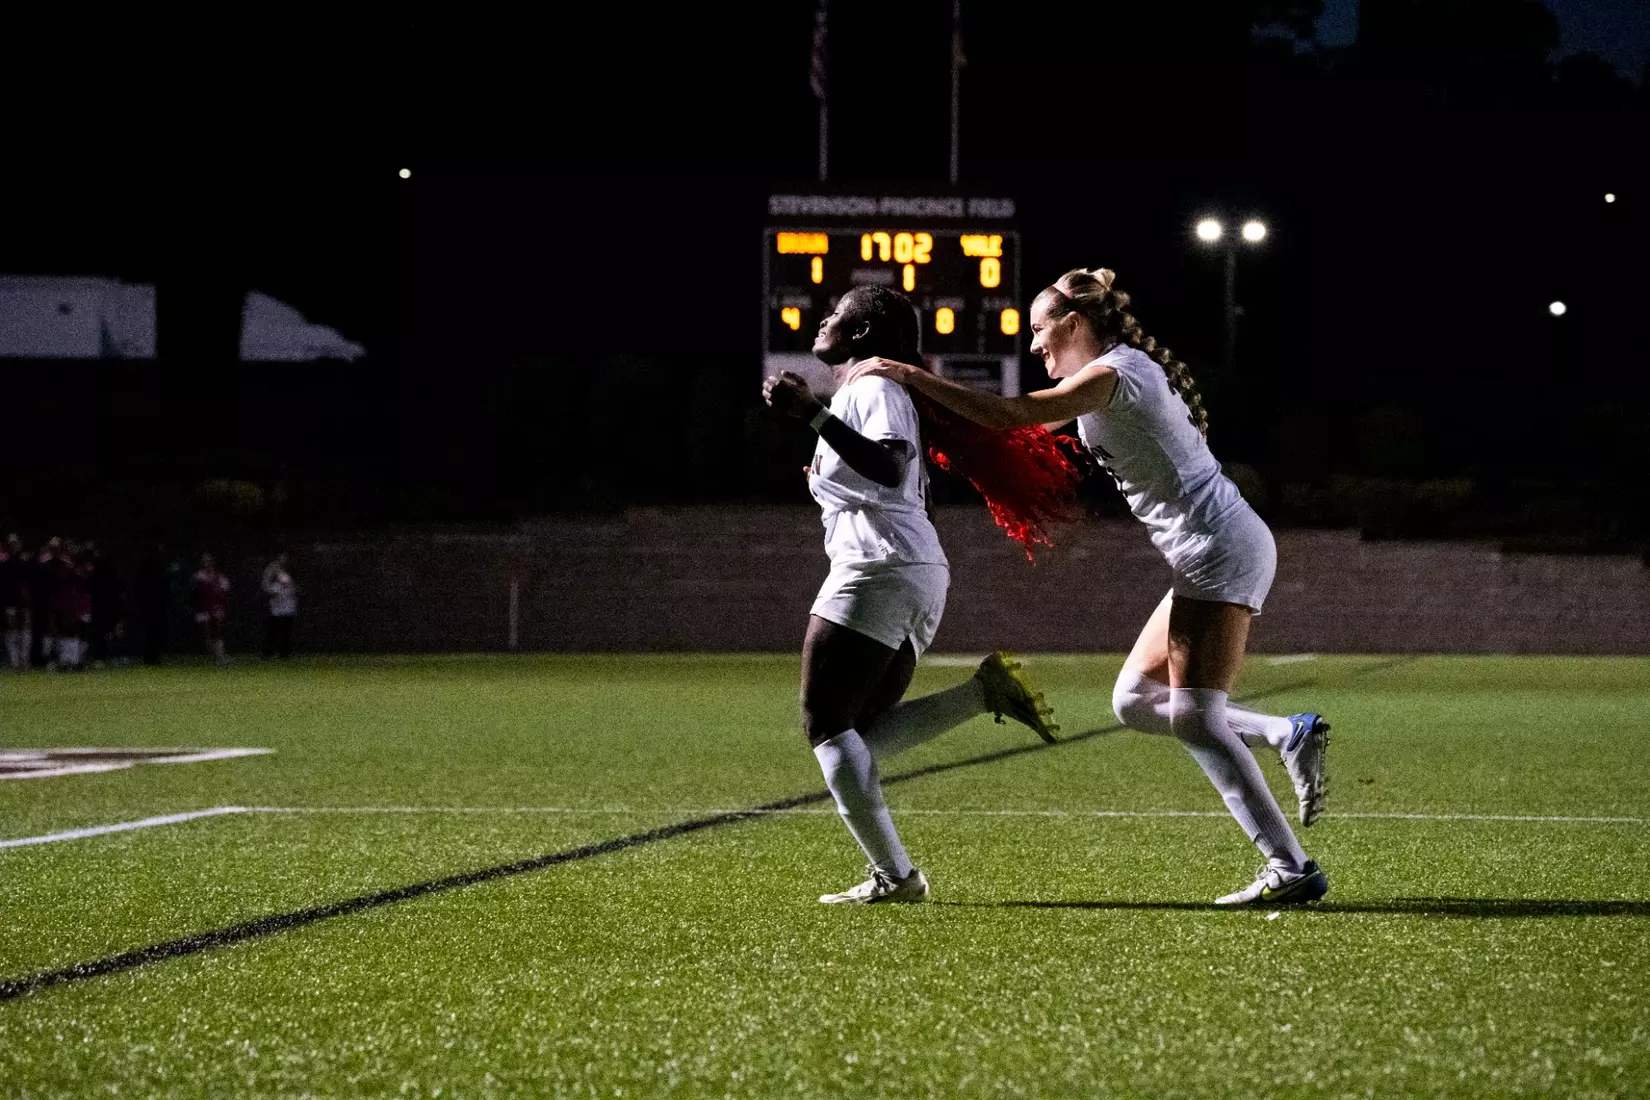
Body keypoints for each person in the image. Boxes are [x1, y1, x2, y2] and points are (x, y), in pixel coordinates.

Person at [846, 267, 1332, 907]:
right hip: (1210, 552)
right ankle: (1283, 733)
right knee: (1134, 700)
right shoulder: (1105, 380)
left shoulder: (1115, 374)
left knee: (1194, 715)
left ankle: (1290, 867)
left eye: (1039, 330)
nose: (1034, 346)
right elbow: (1009, 428)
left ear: (1074, 324)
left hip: (1219, 547)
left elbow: (1012, 412)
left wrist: (910, 375)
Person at [762, 285, 1065, 905]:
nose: (823, 320)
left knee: (825, 724)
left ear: (863, 333)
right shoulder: (868, 391)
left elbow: (890, 464)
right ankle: (982, 693)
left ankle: (897, 877)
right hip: (908, 568)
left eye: (836, 314)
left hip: (878, 567)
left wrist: (812, 415)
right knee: (858, 732)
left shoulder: (871, 387)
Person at [193, 552, 232, 665]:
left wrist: (220, 605)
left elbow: (225, 593)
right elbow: (195, 594)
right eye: (205, 561)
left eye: (209, 561)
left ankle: (219, 655)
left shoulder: (220, 577)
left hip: (217, 608)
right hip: (203, 608)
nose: (207, 563)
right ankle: (210, 655)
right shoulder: (198, 576)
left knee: (218, 631)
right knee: (207, 632)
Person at [1, 534, 31, 671]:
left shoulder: (25, 562)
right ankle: (14, 661)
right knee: (11, 630)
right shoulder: (4, 563)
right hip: (9, 601)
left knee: (24, 630)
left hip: (23, 601)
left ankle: (24, 660)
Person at [261, 550, 298, 658]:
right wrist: (273, 591)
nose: (284, 558)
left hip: (289, 605)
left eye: (285, 556)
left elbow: (295, 587)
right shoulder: (273, 570)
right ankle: (268, 651)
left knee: (287, 629)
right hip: (277, 606)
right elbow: (267, 585)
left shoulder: (291, 569)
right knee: (273, 629)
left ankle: (284, 652)